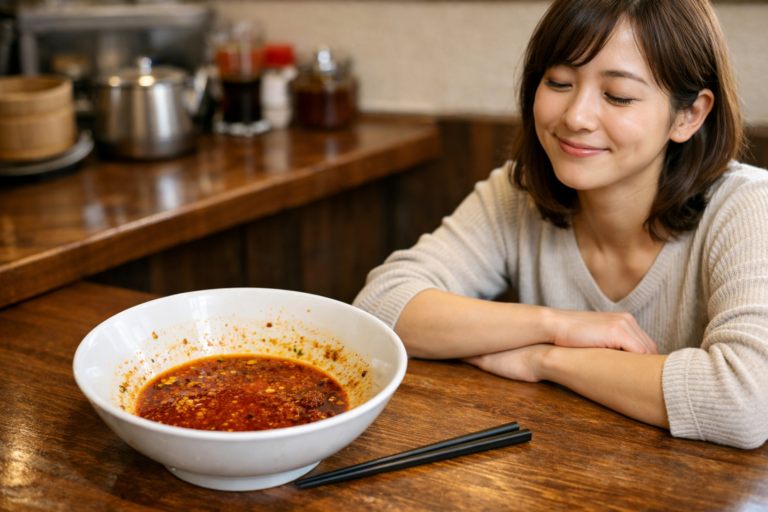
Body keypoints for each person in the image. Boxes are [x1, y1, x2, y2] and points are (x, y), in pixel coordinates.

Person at [353, 0, 768, 450]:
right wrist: (558, 324)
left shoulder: (746, 207)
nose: (575, 117)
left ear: (688, 115)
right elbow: (383, 307)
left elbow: (744, 402)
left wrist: (545, 359)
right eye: (559, 82)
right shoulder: (519, 193)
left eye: (617, 96)